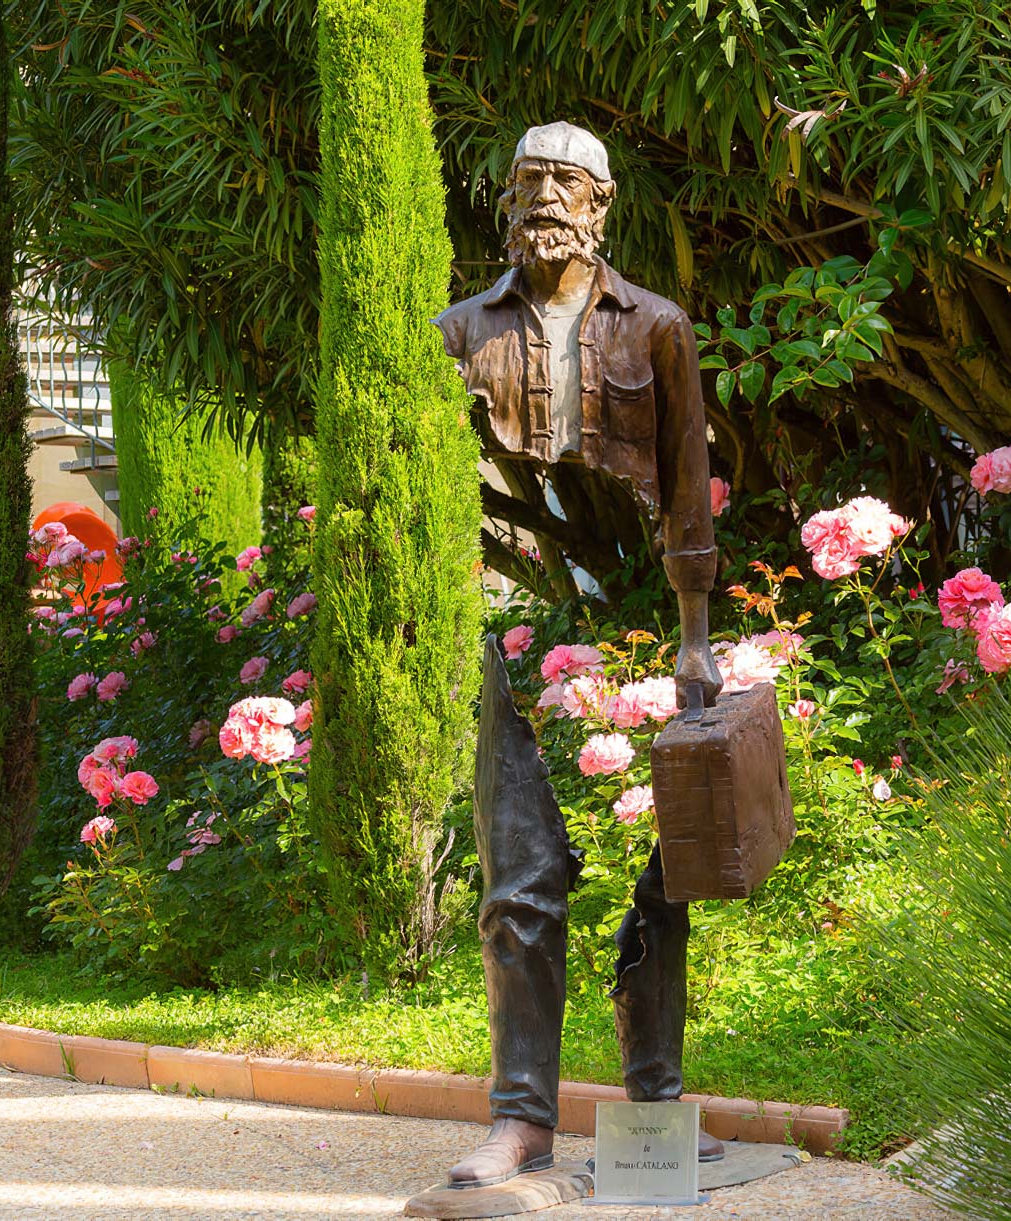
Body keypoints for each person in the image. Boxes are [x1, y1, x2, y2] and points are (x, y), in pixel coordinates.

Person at [434, 121, 723, 1189]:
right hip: (510, 632)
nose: (540, 201)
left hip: (641, 623)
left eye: (562, 185)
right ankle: (521, 1120)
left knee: (664, 877)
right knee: (518, 878)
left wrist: (694, 637)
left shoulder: (657, 327)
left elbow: (687, 487)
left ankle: (655, 1106)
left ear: (602, 206)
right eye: (523, 184)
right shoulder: (457, 332)